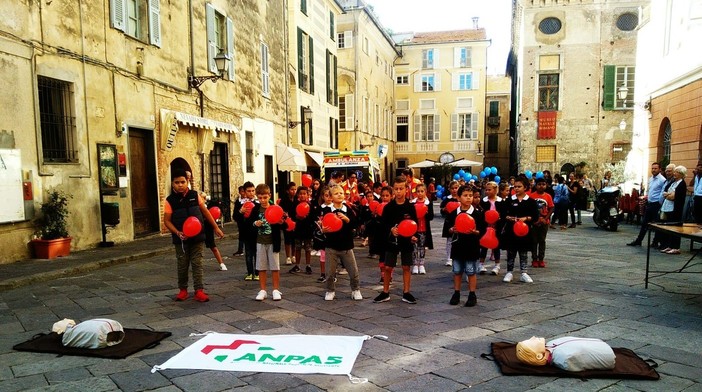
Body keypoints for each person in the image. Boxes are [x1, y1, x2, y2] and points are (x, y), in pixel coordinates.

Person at [163, 168, 224, 302]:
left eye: (182, 182)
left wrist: (215, 227)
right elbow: (166, 220)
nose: (180, 185)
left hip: (198, 236)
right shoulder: (170, 200)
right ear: (172, 183)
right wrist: (177, 232)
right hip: (181, 239)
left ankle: (199, 290)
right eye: (177, 182)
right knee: (182, 264)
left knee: (197, 263)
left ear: (187, 182)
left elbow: (206, 213)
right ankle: (183, 290)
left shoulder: (194, 195)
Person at [374, 176, 419, 304]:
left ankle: (406, 292)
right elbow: (383, 224)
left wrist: (413, 236)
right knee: (388, 267)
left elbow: (414, 224)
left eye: (401, 189)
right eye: (396, 189)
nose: (398, 191)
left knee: (406, 266)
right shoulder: (389, 207)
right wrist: (391, 230)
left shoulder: (410, 207)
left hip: (406, 240)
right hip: (391, 241)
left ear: (406, 190)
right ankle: (385, 292)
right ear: (393, 190)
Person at [446, 185, 485, 307]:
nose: (468, 198)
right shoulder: (454, 213)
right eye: (465, 195)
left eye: (470, 196)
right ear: (459, 197)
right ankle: (456, 293)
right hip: (457, 246)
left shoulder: (477, 213)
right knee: (457, 270)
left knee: (470, 270)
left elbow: (482, 231)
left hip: (471, 246)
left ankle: (472, 294)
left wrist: (474, 232)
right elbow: (448, 229)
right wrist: (452, 229)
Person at [323, 185, 363, 301]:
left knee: (353, 271)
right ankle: (330, 290)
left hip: (346, 246)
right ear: (330, 197)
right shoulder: (327, 210)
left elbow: (355, 224)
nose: (339, 195)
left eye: (341, 193)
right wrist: (323, 230)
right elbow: (322, 225)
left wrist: (347, 220)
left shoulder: (348, 209)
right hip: (331, 246)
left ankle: (355, 289)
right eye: (336, 193)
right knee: (330, 272)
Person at [502, 177, 539, 283]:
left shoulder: (531, 201)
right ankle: (509, 272)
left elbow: (535, 216)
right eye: (515, 187)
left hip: (525, 230)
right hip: (511, 230)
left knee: (523, 251)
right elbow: (504, 214)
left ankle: (524, 272)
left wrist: (526, 218)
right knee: (511, 251)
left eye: (519, 187)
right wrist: (511, 218)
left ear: (525, 187)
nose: (517, 189)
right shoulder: (509, 200)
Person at [252, 184, 284, 301]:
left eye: (265, 197)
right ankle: (263, 290)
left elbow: (283, 223)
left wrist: (281, 222)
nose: (263, 200)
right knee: (261, 267)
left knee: (275, 266)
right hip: (260, 241)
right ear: (257, 197)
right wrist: (255, 223)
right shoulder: (256, 209)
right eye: (260, 198)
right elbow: (250, 222)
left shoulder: (275, 208)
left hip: (273, 241)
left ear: (269, 195)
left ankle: (275, 289)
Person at [627, 162, 666, 246]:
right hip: (650, 203)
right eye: (652, 168)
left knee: (657, 224)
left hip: (656, 204)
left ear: (659, 169)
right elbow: (650, 190)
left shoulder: (662, 180)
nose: (653, 170)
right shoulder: (651, 178)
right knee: (644, 223)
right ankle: (639, 240)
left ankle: (655, 242)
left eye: (655, 168)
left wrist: (660, 203)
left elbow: (662, 192)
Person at [659, 165, 688, 254]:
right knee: (669, 228)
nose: (674, 174)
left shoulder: (682, 184)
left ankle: (676, 247)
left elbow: (673, 197)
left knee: (675, 228)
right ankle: (669, 245)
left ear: (681, 174)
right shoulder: (673, 183)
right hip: (668, 208)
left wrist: (669, 195)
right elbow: (665, 193)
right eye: (674, 172)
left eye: (676, 172)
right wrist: (669, 195)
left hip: (675, 209)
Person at [233, 182, 259, 281]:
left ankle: (257, 272)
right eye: (249, 191)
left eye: (253, 191)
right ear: (244, 192)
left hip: (256, 231)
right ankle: (249, 272)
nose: (251, 193)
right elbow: (235, 217)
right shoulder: (239, 203)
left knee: (257, 253)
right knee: (248, 253)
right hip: (245, 231)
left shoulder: (257, 203)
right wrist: (240, 212)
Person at [528, 177, 554, 268]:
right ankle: (534, 259)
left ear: (546, 185)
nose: (541, 186)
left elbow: (551, 208)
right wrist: (535, 219)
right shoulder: (531, 196)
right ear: (536, 185)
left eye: (543, 184)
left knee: (542, 240)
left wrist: (546, 218)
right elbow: (529, 209)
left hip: (544, 222)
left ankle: (541, 259)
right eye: (539, 184)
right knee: (534, 241)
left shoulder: (548, 196)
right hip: (534, 222)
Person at [290, 186, 314, 274]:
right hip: (298, 229)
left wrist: (306, 217)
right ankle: (297, 265)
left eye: (304, 194)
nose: (302, 195)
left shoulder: (310, 205)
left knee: (308, 248)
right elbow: (291, 215)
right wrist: (296, 217)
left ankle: (308, 265)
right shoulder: (294, 204)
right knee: (298, 248)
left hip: (307, 230)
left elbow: (313, 218)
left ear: (307, 195)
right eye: (300, 194)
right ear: (298, 195)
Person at [411, 183, 434, 275]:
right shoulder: (413, 203)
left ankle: (421, 264)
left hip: (424, 228)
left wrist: (426, 213)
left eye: (422, 191)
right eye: (418, 191)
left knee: (422, 246)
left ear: (425, 192)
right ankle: (415, 264)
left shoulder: (428, 203)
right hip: (414, 228)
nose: (420, 193)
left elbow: (431, 216)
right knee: (415, 247)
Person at [203, 194, 227, 271]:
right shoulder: (195, 208)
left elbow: (212, 218)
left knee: (213, 247)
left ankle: (221, 263)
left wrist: (215, 228)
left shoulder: (207, 208)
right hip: (198, 229)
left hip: (208, 228)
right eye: (202, 197)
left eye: (204, 198)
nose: (204, 199)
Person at [440, 181, 460, 266]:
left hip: (459, 221)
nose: (454, 190)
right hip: (449, 221)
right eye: (452, 188)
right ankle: (449, 258)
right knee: (449, 240)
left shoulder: (461, 198)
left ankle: (457, 257)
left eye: (456, 188)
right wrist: (444, 209)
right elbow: (442, 209)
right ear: (449, 189)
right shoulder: (447, 199)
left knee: (459, 239)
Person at [279, 182, 297, 265]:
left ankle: (293, 255)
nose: (293, 191)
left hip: (295, 221)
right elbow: (281, 211)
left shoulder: (297, 199)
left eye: (295, 189)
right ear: (287, 191)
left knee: (294, 240)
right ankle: (288, 257)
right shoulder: (283, 200)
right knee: (287, 240)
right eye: (292, 189)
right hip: (287, 222)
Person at [232, 186, 245, 256]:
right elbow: (235, 211)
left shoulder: (248, 200)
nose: (244, 193)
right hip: (240, 220)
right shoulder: (238, 201)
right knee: (241, 235)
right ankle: (240, 249)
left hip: (247, 221)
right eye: (242, 191)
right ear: (240, 192)